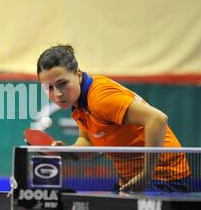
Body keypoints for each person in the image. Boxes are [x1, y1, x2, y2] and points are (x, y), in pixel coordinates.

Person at [37, 45, 190, 192]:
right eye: (48, 88)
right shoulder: (80, 106)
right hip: (132, 180)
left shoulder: (99, 99)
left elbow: (157, 119)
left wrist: (146, 175)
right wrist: (67, 151)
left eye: (62, 84)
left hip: (165, 177)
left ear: (78, 75)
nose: (57, 94)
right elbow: (89, 142)